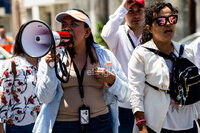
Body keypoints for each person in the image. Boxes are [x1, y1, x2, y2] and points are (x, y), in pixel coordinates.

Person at [32, 9, 130, 133]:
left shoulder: (105, 56)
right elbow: (44, 98)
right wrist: (51, 69)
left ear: (87, 32)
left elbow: (126, 95)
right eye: (64, 25)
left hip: (100, 123)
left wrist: (112, 80)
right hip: (64, 126)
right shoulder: (51, 57)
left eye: (73, 24)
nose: (67, 28)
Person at [128, 1, 200, 133]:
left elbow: (195, 88)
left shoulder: (186, 51)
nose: (168, 23)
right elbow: (135, 94)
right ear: (149, 28)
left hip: (189, 126)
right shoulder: (141, 54)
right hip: (158, 126)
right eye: (161, 20)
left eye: (172, 19)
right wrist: (142, 127)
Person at [101, 0, 145, 132]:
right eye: (131, 11)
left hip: (147, 102)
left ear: (144, 12)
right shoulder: (118, 34)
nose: (135, 15)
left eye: (139, 10)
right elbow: (105, 34)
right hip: (124, 103)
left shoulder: (151, 34)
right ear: (125, 13)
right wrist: (123, 8)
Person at [0, 24, 41, 133]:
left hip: (42, 123)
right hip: (17, 125)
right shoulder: (12, 64)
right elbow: (4, 96)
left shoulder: (44, 63)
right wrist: (0, 126)